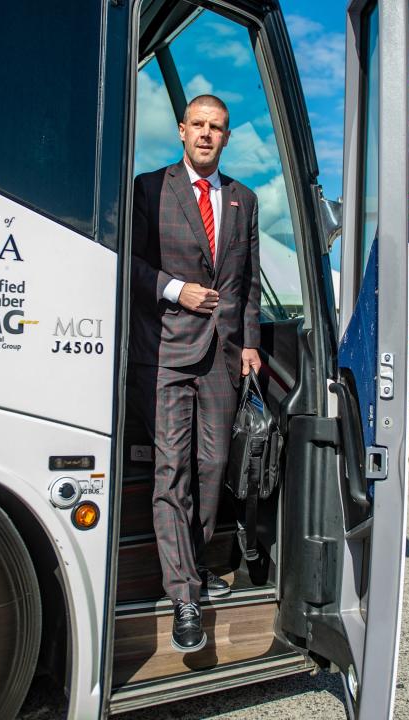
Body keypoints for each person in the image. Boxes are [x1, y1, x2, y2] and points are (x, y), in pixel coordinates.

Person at [129, 94, 261, 652]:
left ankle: (195, 562)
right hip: (164, 351)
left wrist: (250, 344)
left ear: (226, 137)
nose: (207, 134)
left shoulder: (243, 200)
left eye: (218, 128)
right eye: (198, 125)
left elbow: (247, 281)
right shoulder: (148, 188)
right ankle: (184, 592)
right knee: (172, 473)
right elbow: (125, 261)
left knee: (212, 467)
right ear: (181, 130)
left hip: (223, 357)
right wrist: (174, 289)